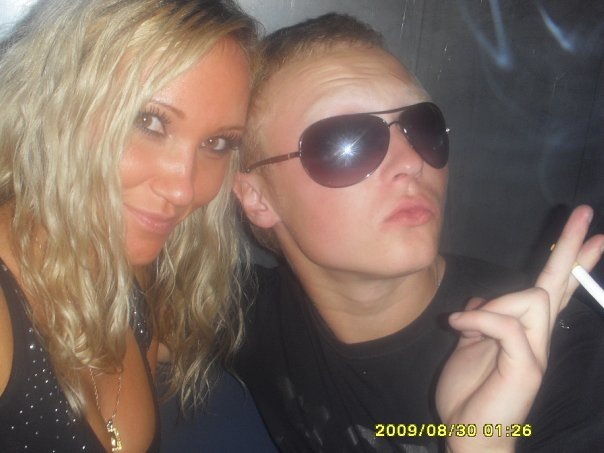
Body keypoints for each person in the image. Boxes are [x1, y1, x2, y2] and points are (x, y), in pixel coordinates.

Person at [234, 13, 604, 452]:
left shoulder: (556, 355)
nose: (412, 161)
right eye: (346, 141)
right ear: (258, 197)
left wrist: (482, 443)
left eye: (421, 127)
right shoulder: (241, 316)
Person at [0, 0, 257, 451]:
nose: (184, 189)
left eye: (217, 143)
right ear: (53, 103)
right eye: (149, 121)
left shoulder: (129, 276)